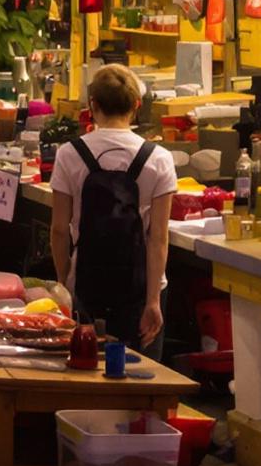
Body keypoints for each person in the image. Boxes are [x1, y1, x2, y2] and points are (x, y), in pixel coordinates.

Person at [49, 65, 176, 350]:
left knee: (86, 376)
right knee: (141, 383)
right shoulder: (159, 158)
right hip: (141, 291)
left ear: (92, 105)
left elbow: (59, 230)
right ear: (136, 105)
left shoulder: (69, 154)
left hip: (85, 285)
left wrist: (64, 283)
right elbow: (158, 238)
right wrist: (154, 301)